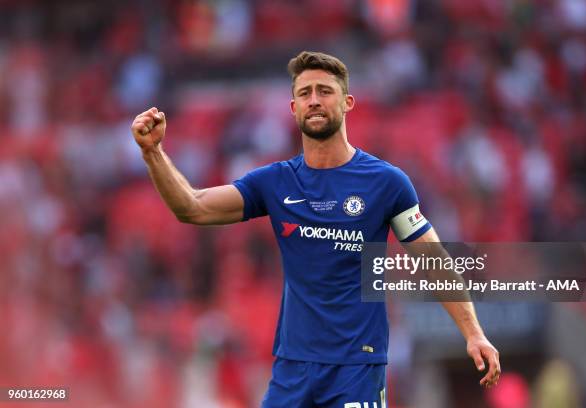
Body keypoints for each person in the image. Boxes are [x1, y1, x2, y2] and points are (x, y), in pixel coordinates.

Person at [131, 51, 500, 407]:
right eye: (305, 93)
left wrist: (473, 332)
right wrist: (153, 153)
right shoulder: (275, 183)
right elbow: (192, 207)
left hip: (357, 366)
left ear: (348, 102)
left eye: (325, 91)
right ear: (294, 109)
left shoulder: (387, 183)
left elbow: (433, 259)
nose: (314, 100)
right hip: (293, 369)